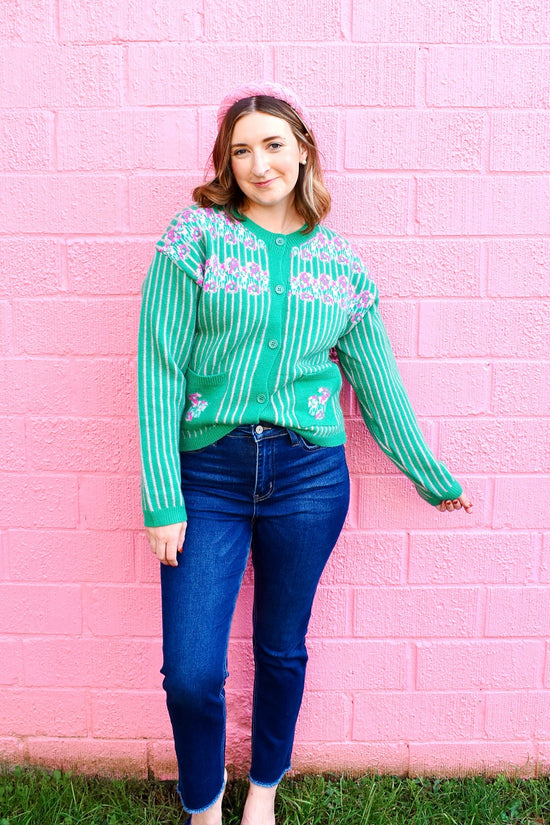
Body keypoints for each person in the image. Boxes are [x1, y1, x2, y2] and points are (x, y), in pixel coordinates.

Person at [137, 81, 473, 825]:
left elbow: (377, 385)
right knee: (191, 672)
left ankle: (263, 791)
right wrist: (162, 497)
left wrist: (428, 474)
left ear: (303, 152)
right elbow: (159, 365)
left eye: (273, 145)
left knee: (281, 648)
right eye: (242, 151)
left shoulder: (343, 266)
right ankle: (203, 805)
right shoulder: (194, 238)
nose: (259, 164)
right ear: (226, 162)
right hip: (208, 474)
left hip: (308, 478)